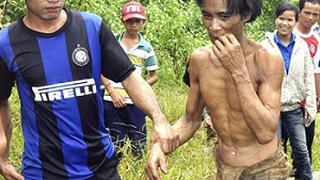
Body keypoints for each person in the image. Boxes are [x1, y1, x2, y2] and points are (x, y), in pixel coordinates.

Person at [0, 0, 178, 179]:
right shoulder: (6, 43)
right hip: (43, 172)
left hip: (101, 167)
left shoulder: (92, 27)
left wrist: (159, 118)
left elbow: (129, 76)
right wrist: (2, 156)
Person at [146, 0, 288, 179]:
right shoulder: (200, 60)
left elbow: (266, 132)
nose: (213, 27)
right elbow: (190, 120)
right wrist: (160, 145)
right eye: (207, 16)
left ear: (246, 15)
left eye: (224, 16)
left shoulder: (267, 59)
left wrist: (238, 71)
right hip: (225, 168)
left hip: (265, 169)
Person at [261, 2, 316, 179]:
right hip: (271, 109)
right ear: (275, 19)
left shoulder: (301, 46)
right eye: (281, 18)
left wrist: (311, 106)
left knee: (301, 150)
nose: (285, 23)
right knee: (275, 151)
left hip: (294, 109)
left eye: (289, 19)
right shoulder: (265, 46)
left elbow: (309, 77)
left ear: (295, 21)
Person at [101, 1, 159, 158]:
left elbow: (153, 76)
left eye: (137, 21)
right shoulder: (112, 42)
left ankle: (138, 168)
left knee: (138, 140)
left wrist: (138, 89)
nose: (133, 25)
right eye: (129, 21)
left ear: (143, 22)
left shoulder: (146, 48)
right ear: (123, 21)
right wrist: (112, 91)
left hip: (136, 103)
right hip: (111, 100)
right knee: (116, 140)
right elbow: (100, 69)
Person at [292, 0, 320, 167]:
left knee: (305, 147)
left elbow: (317, 71)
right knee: (279, 144)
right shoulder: (286, 32)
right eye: (307, 12)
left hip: (306, 100)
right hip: (282, 100)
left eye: (315, 14)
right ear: (299, 11)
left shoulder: (317, 40)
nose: (310, 17)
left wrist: (317, 98)